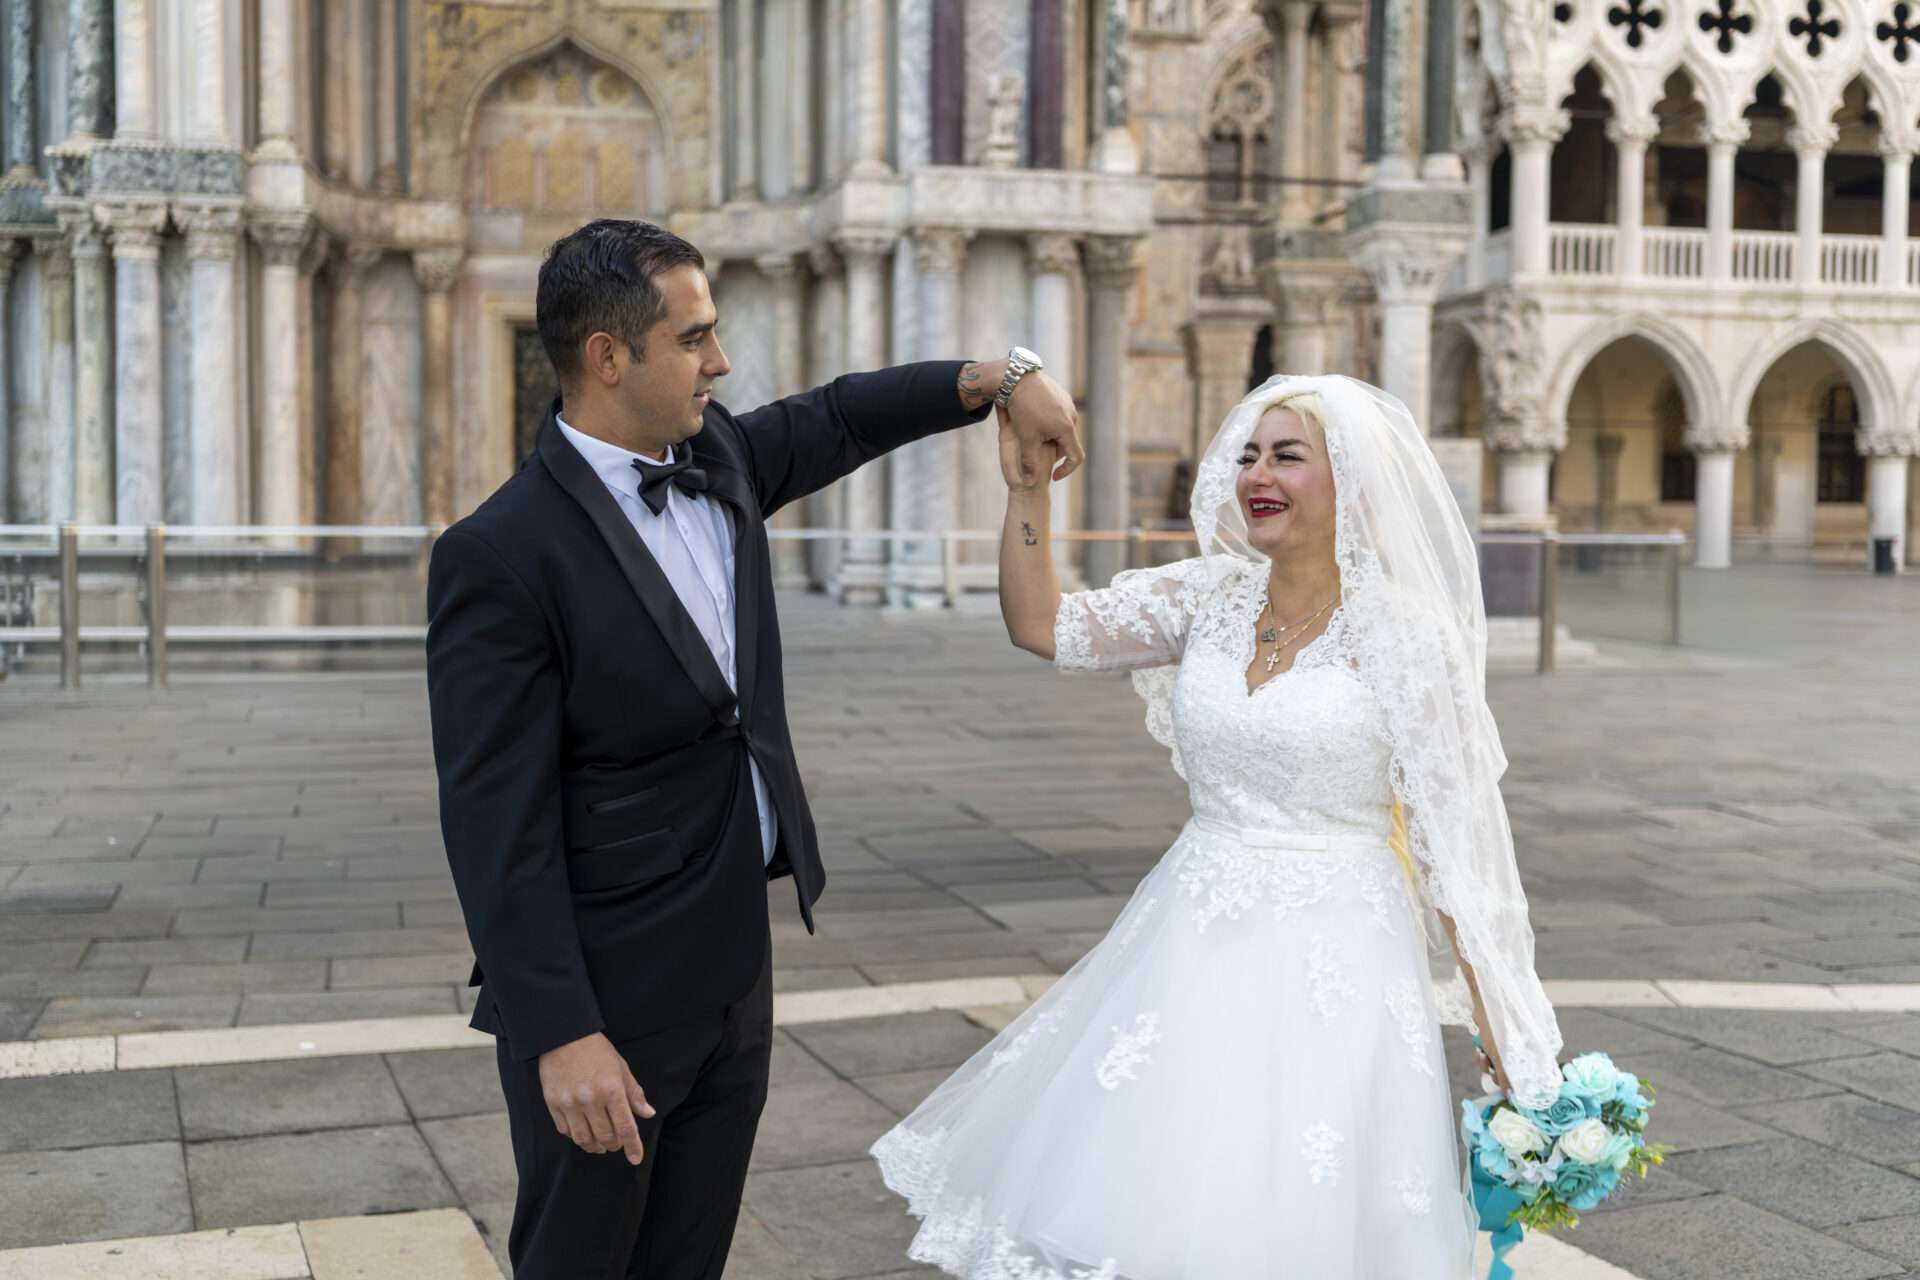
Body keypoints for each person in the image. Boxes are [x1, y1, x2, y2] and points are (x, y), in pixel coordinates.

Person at [424, 218, 1081, 1280]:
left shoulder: (720, 456)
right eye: (694, 339)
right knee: (581, 1258)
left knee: (690, 1256)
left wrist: (1000, 379)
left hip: (733, 960)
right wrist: (560, 1031)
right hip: (609, 986)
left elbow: (841, 416)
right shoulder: (498, 553)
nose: (719, 362)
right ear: (607, 356)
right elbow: (493, 820)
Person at [872, 374, 1565, 1278]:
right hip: (1190, 937)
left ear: (1351, 481)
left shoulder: (1407, 637)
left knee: (1305, 1197)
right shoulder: (1209, 597)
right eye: (1248, 456)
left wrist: (1502, 1023)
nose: (1257, 475)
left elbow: (1453, 846)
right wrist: (1028, 491)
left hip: (1339, 953)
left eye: (1288, 456)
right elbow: (1043, 625)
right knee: (1168, 1188)